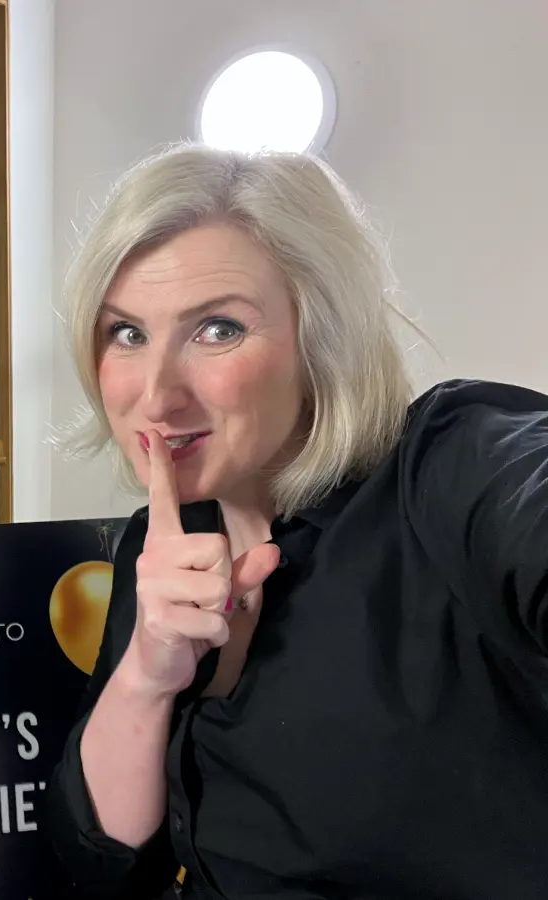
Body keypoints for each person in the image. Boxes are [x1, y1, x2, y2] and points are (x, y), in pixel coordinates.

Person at [43, 143, 548, 899]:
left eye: (217, 329)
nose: (155, 396)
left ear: (322, 335)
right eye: (127, 333)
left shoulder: (451, 467)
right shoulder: (159, 538)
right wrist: (148, 675)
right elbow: (101, 868)